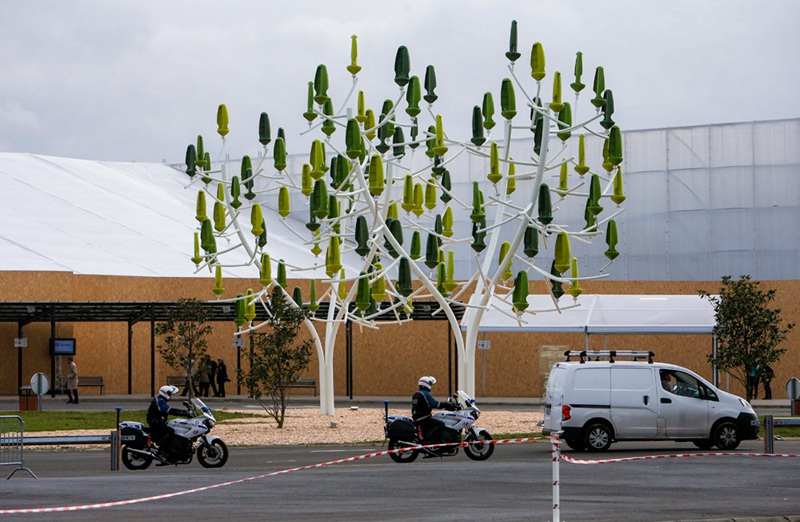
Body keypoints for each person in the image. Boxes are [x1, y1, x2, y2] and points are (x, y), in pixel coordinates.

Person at [146, 385, 192, 462]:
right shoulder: (159, 401)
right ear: (165, 394)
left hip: (158, 423)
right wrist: (184, 413)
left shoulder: (160, 400)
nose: (171, 396)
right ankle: (160, 452)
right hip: (155, 424)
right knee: (170, 431)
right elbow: (168, 410)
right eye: (170, 394)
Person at [411, 376, 456, 446]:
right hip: (424, 417)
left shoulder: (416, 393)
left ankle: (429, 439)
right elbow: (435, 404)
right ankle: (436, 443)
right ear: (427, 384)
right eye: (430, 384)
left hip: (418, 417)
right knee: (441, 424)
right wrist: (447, 405)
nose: (431, 386)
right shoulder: (425, 394)